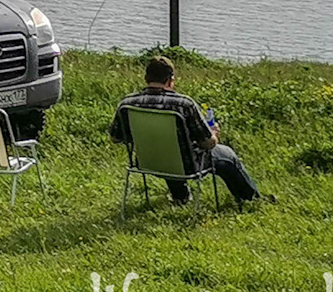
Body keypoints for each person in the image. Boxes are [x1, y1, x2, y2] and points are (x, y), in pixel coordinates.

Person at [109, 55, 266, 205]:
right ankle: (251, 199)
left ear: (146, 78)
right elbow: (208, 143)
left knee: (167, 148)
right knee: (227, 155)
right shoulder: (184, 104)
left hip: (146, 163)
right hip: (186, 166)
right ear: (170, 81)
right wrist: (214, 134)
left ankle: (181, 197)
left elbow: (115, 138)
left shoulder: (127, 104)